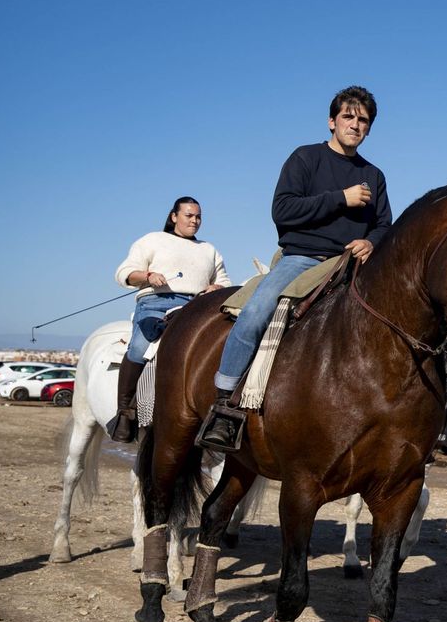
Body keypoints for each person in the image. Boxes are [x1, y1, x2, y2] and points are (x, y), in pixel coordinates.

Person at [199, 85, 392, 451]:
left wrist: (372, 242)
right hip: (302, 259)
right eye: (348, 117)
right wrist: (341, 199)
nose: (355, 124)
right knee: (255, 311)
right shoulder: (305, 159)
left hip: (351, 264)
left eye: (363, 120)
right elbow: (283, 210)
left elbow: (385, 224)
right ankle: (223, 405)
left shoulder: (374, 176)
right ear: (332, 121)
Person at [108, 198, 231, 442]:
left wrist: (216, 286)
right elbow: (124, 273)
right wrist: (147, 275)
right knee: (140, 346)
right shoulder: (152, 240)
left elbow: (225, 282)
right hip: (155, 302)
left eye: (198, 216)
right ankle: (124, 411)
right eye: (189, 215)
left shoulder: (209, 249)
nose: (194, 221)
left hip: (195, 308)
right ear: (174, 216)